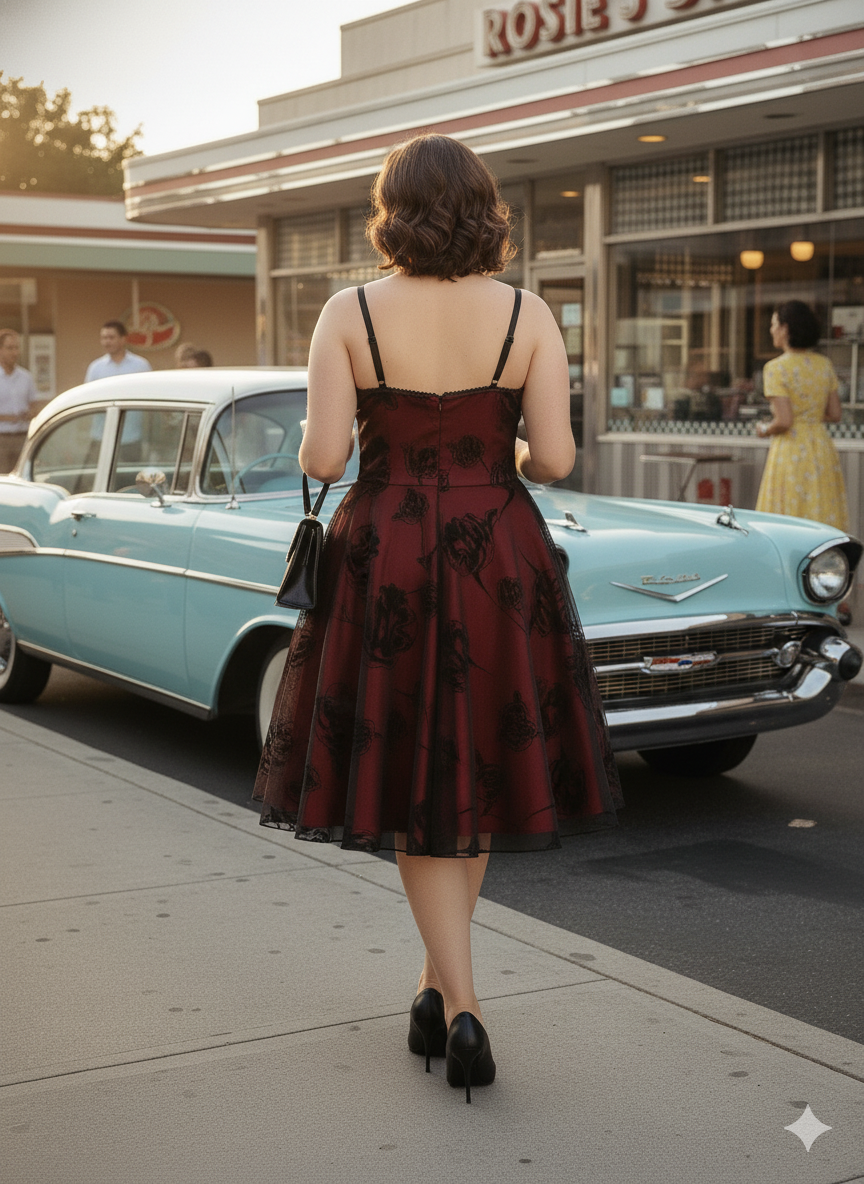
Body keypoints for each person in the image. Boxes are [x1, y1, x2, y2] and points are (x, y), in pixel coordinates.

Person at [253, 134, 623, 1102]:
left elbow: (325, 457)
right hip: (499, 545)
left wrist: (331, 423)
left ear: (391, 210)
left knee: (419, 758)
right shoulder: (529, 313)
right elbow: (555, 460)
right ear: (485, 207)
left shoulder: (348, 310)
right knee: (476, 756)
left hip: (387, 550)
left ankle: (456, 1005)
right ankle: (445, 994)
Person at [755, 300, 851, 621]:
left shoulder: (776, 368)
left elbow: (783, 420)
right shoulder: (823, 365)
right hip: (820, 449)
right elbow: (835, 414)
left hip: (790, 450)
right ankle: (832, 592)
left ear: (785, 329)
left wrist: (763, 429)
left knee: (785, 517)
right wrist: (811, 415)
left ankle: (786, 593)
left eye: (773, 323)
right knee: (822, 515)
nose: (771, 329)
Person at [0, 329, 44, 474]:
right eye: (9, 348)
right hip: (2, 439)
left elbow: (34, 406)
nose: (15, 352)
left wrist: (28, 414)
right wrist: (9, 418)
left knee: (22, 477)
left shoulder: (26, 377)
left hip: (23, 438)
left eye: (16, 348)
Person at [85, 321, 151, 382]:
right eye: (104, 338)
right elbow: (88, 393)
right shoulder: (96, 368)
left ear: (123, 339)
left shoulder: (140, 365)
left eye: (111, 337)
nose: (107, 342)